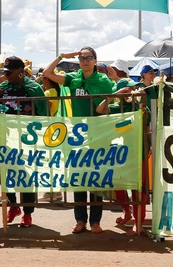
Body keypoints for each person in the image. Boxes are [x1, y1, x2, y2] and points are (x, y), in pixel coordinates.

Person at [43, 47, 115, 234]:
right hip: (78, 135)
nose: (84, 61)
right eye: (81, 58)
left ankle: (95, 222)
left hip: (99, 134)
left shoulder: (103, 81)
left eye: (88, 57)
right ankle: (80, 220)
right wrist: (62, 56)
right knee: (79, 179)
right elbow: (47, 73)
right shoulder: (73, 79)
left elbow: (113, 100)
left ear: (95, 60)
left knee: (96, 180)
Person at [0, 56, 47, 227]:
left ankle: (28, 213)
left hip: (25, 140)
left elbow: (44, 113)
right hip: (3, 137)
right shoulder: (3, 87)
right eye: (5, 72)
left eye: (9, 72)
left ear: (20, 71)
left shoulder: (34, 88)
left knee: (26, 176)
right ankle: (13, 205)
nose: (6, 76)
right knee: (4, 174)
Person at [96, 78, 148, 236]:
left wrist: (141, 99)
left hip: (139, 151)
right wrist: (114, 95)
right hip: (120, 153)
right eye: (126, 90)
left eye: (133, 89)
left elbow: (147, 123)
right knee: (119, 185)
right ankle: (127, 212)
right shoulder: (115, 107)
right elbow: (99, 110)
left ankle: (138, 223)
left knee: (139, 188)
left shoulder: (140, 106)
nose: (130, 92)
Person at [40, 73, 63, 201]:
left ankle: (51, 192)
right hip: (54, 129)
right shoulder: (53, 91)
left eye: (42, 77)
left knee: (49, 162)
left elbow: (45, 108)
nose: (40, 80)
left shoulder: (50, 92)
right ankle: (54, 192)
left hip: (50, 129)